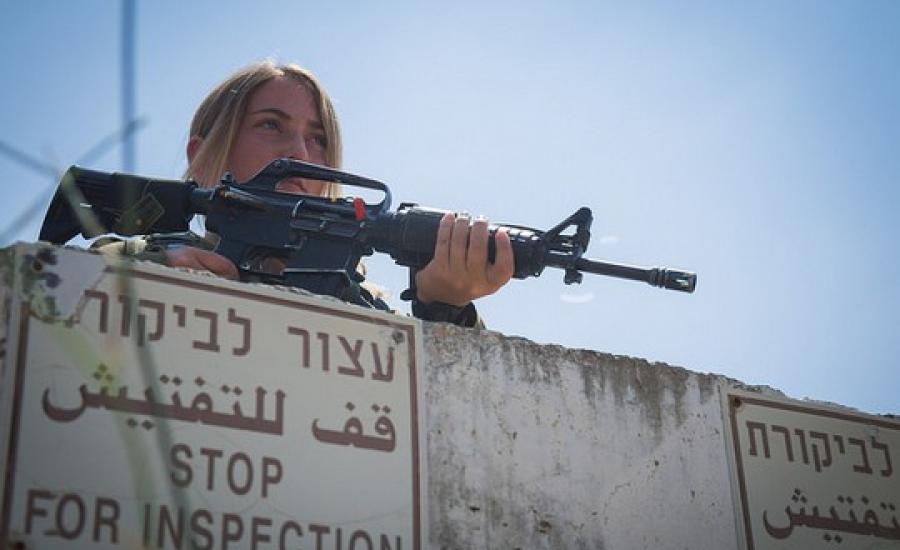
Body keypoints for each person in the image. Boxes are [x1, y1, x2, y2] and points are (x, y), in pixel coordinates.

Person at [105, 61, 514, 326]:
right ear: (202, 155)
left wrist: (445, 309)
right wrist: (152, 277)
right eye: (270, 125)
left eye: (318, 139)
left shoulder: (364, 304)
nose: (300, 153)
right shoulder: (141, 256)